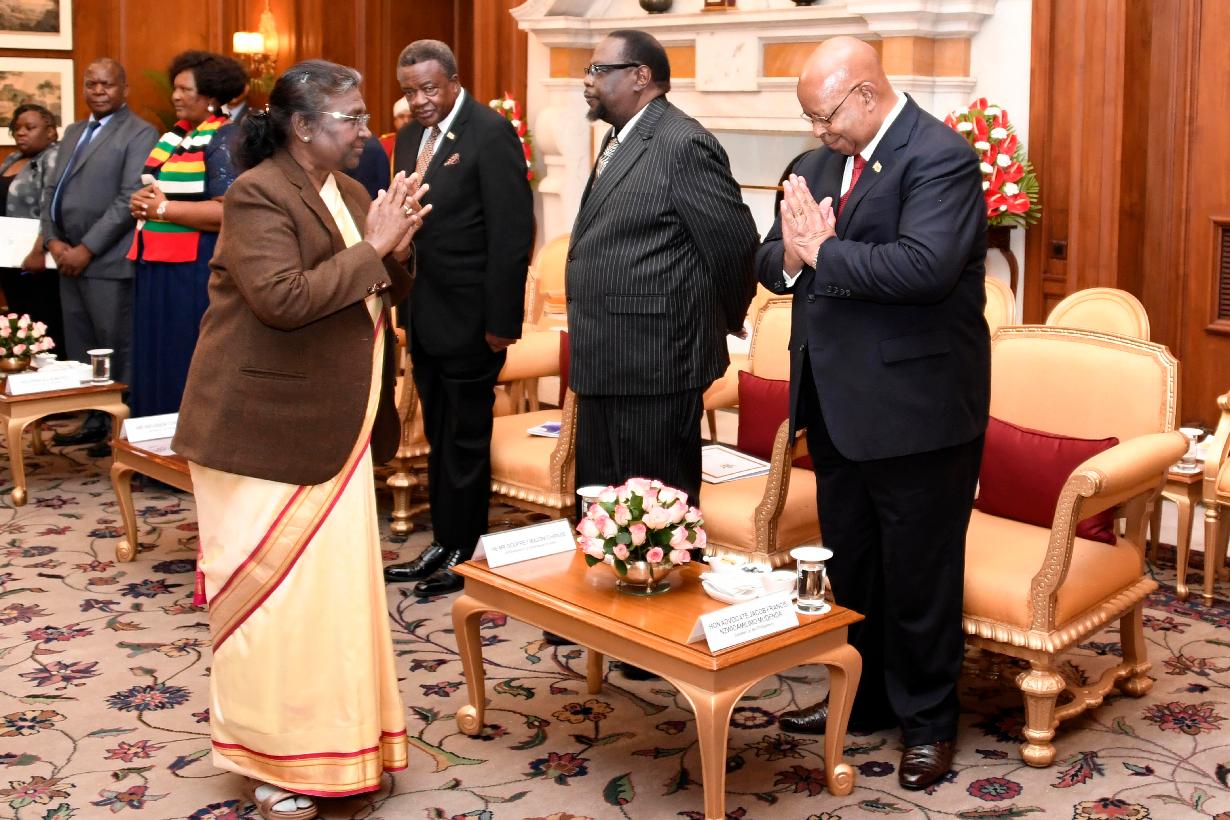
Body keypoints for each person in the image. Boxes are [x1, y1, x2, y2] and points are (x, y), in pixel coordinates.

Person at [171, 60, 425, 819]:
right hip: (265, 430)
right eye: (351, 117)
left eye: (364, 114)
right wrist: (375, 248)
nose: (365, 128)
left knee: (333, 603)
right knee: (274, 608)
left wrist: (398, 248)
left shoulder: (350, 192)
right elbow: (282, 300)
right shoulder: (257, 194)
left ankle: (340, 747)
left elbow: (378, 287)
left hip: (334, 424)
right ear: (303, 127)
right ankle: (273, 759)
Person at [754, 37, 989, 790]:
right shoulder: (815, 164)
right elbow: (770, 258)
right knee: (851, 567)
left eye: (825, 116)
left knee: (920, 575)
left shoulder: (940, 157)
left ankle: (929, 722)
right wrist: (793, 257)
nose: (817, 131)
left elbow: (925, 268)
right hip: (835, 407)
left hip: (918, 412)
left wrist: (824, 251)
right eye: (809, 119)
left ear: (864, 94)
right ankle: (863, 700)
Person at [567, 30, 757, 512]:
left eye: (598, 70)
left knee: (655, 517)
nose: (587, 80)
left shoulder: (683, 143)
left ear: (640, 76)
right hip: (604, 359)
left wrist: (722, 321)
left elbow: (735, 247)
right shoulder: (619, 138)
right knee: (602, 510)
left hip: (656, 365)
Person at [382, 39, 533, 597]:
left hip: (473, 319)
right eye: (410, 91)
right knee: (439, 432)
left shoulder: (490, 133)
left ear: (452, 80)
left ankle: (464, 553)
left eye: (429, 88)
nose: (420, 100)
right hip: (425, 312)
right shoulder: (408, 137)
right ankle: (443, 541)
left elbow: (512, 233)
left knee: (466, 437)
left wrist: (502, 323)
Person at [40, 58, 158, 455]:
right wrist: (53, 242)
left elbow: (129, 199)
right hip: (67, 258)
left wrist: (86, 249)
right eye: (91, 84)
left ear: (124, 89)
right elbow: (51, 190)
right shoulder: (75, 130)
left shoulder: (140, 132)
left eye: (107, 84)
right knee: (80, 346)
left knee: (113, 346)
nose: (98, 91)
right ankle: (92, 417)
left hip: (107, 261)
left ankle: (116, 426)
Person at [126, 50, 247, 422]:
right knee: (155, 353)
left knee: (181, 355)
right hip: (157, 263)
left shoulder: (225, 137)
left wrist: (162, 209)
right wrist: (141, 201)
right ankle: (152, 441)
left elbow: (229, 211)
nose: (175, 96)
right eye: (174, 88)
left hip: (194, 269)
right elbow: (162, 192)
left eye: (184, 89)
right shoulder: (178, 136)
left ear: (210, 95)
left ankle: (184, 443)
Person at [1, 103, 62, 348]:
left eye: (29, 127)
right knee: (18, 320)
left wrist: (39, 249)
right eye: (17, 128)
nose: (21, 132)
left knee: (43, 321)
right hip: (10, 256)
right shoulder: (13, 158)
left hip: (38, 258)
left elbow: (52, 206)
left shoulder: (53, 157)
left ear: (50, 132)